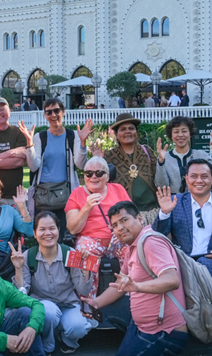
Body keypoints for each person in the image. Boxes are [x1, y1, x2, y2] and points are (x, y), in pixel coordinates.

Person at [81, 201, 207, 356]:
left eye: (124, 220)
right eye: (114, 225)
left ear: (139, 218)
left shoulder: (150, 242)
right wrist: (96, 302)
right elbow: (120, 285)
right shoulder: (133, 246)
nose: (119, 228)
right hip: (141, 327)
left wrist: (137, 287)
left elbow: (171, 280)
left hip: (164, 333)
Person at [10, 212, 97, 355]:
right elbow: (22, 293)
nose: (47, 233)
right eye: (42, 229)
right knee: (48, 311)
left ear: (58, 230)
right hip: (43, 305)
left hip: (68, 304)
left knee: (78, 327)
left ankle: (66, 340)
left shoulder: (70, 253)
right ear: (35, 233)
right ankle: (47, 344)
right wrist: (18, 268)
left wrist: (86, 270)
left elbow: (83, 290)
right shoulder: (27, 257)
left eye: (52, 228)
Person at [155, 159, 212, 290]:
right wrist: (164, 213)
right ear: (187, 179)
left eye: (204, 176)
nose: (199, 180)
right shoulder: (174, 202)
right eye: (193, 176)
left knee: (205, 263)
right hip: (182, 263)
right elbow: (157, 237)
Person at [65, 156, 134, 296]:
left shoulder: (118, 189)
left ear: (107, 176)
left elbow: (131, 216)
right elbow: (72, 228)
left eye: (99, 173)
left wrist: (121, 232)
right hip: (90, 240)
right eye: (89, 173)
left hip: (117, 237)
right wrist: (86, 208)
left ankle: (131, 296)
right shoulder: (77, 193)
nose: (93, 177)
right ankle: (88, 303)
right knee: (83, 252)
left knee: (132, 252)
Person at [78, 113, 160, 215]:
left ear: (136, 132)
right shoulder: (109, 156)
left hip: (152, 210)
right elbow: (96, 181)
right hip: (126, 213)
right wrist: (98, 159)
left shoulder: (146, 151)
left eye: (131, 128)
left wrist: (162, 160)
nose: (127, 132)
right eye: (123, 129)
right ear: (116, 134)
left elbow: (159, 177)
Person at [29, 98, 85, 238]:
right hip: (43, 195)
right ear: (45, 115)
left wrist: (83, 144)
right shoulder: (40, 137)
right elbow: (33, 165)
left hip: (66, 194)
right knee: (44, 235)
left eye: (56, 110)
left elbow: (80, 164)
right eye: (49, 112)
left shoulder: (73, 136)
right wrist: (29, 145)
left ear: (63, 112)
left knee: (66, 235)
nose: (53, 115)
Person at [155, 116, 212, 194]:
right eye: (176, 132)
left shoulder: (201, 155)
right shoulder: (165, 157)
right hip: (175, 202)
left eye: (184, 131)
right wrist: (161, 162)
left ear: (190, 134)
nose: (180, 135)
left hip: (199, 200)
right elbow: (162, 186)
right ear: (171, 136)